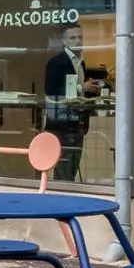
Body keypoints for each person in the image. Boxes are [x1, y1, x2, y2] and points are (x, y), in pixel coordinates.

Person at [43, 26, 102, 182]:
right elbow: (52, 91)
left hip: (77, 121)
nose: (78, 41)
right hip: (61, 123)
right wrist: (81, 87)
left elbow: (77, 92)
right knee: (64, 170)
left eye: (80, 37)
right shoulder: (56, 63)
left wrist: (89, 90)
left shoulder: (81, 62)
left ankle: (67, 196)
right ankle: (62, 200)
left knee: (72, 167)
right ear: (64, 41)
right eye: (73, 38)